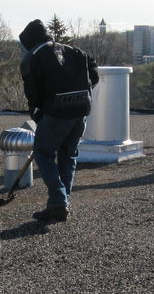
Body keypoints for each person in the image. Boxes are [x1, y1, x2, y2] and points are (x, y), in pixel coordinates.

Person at [19, 19, 100, 221]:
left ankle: (58, 201)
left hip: (56, 112)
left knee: (43, 153)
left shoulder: (33, 57)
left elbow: (33, 93)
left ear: (30, 41)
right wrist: (81, 90)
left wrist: (37, 113)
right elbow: (94, 74)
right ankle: (62, 202)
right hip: (81, 110)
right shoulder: (75, 51)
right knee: (68, 155)